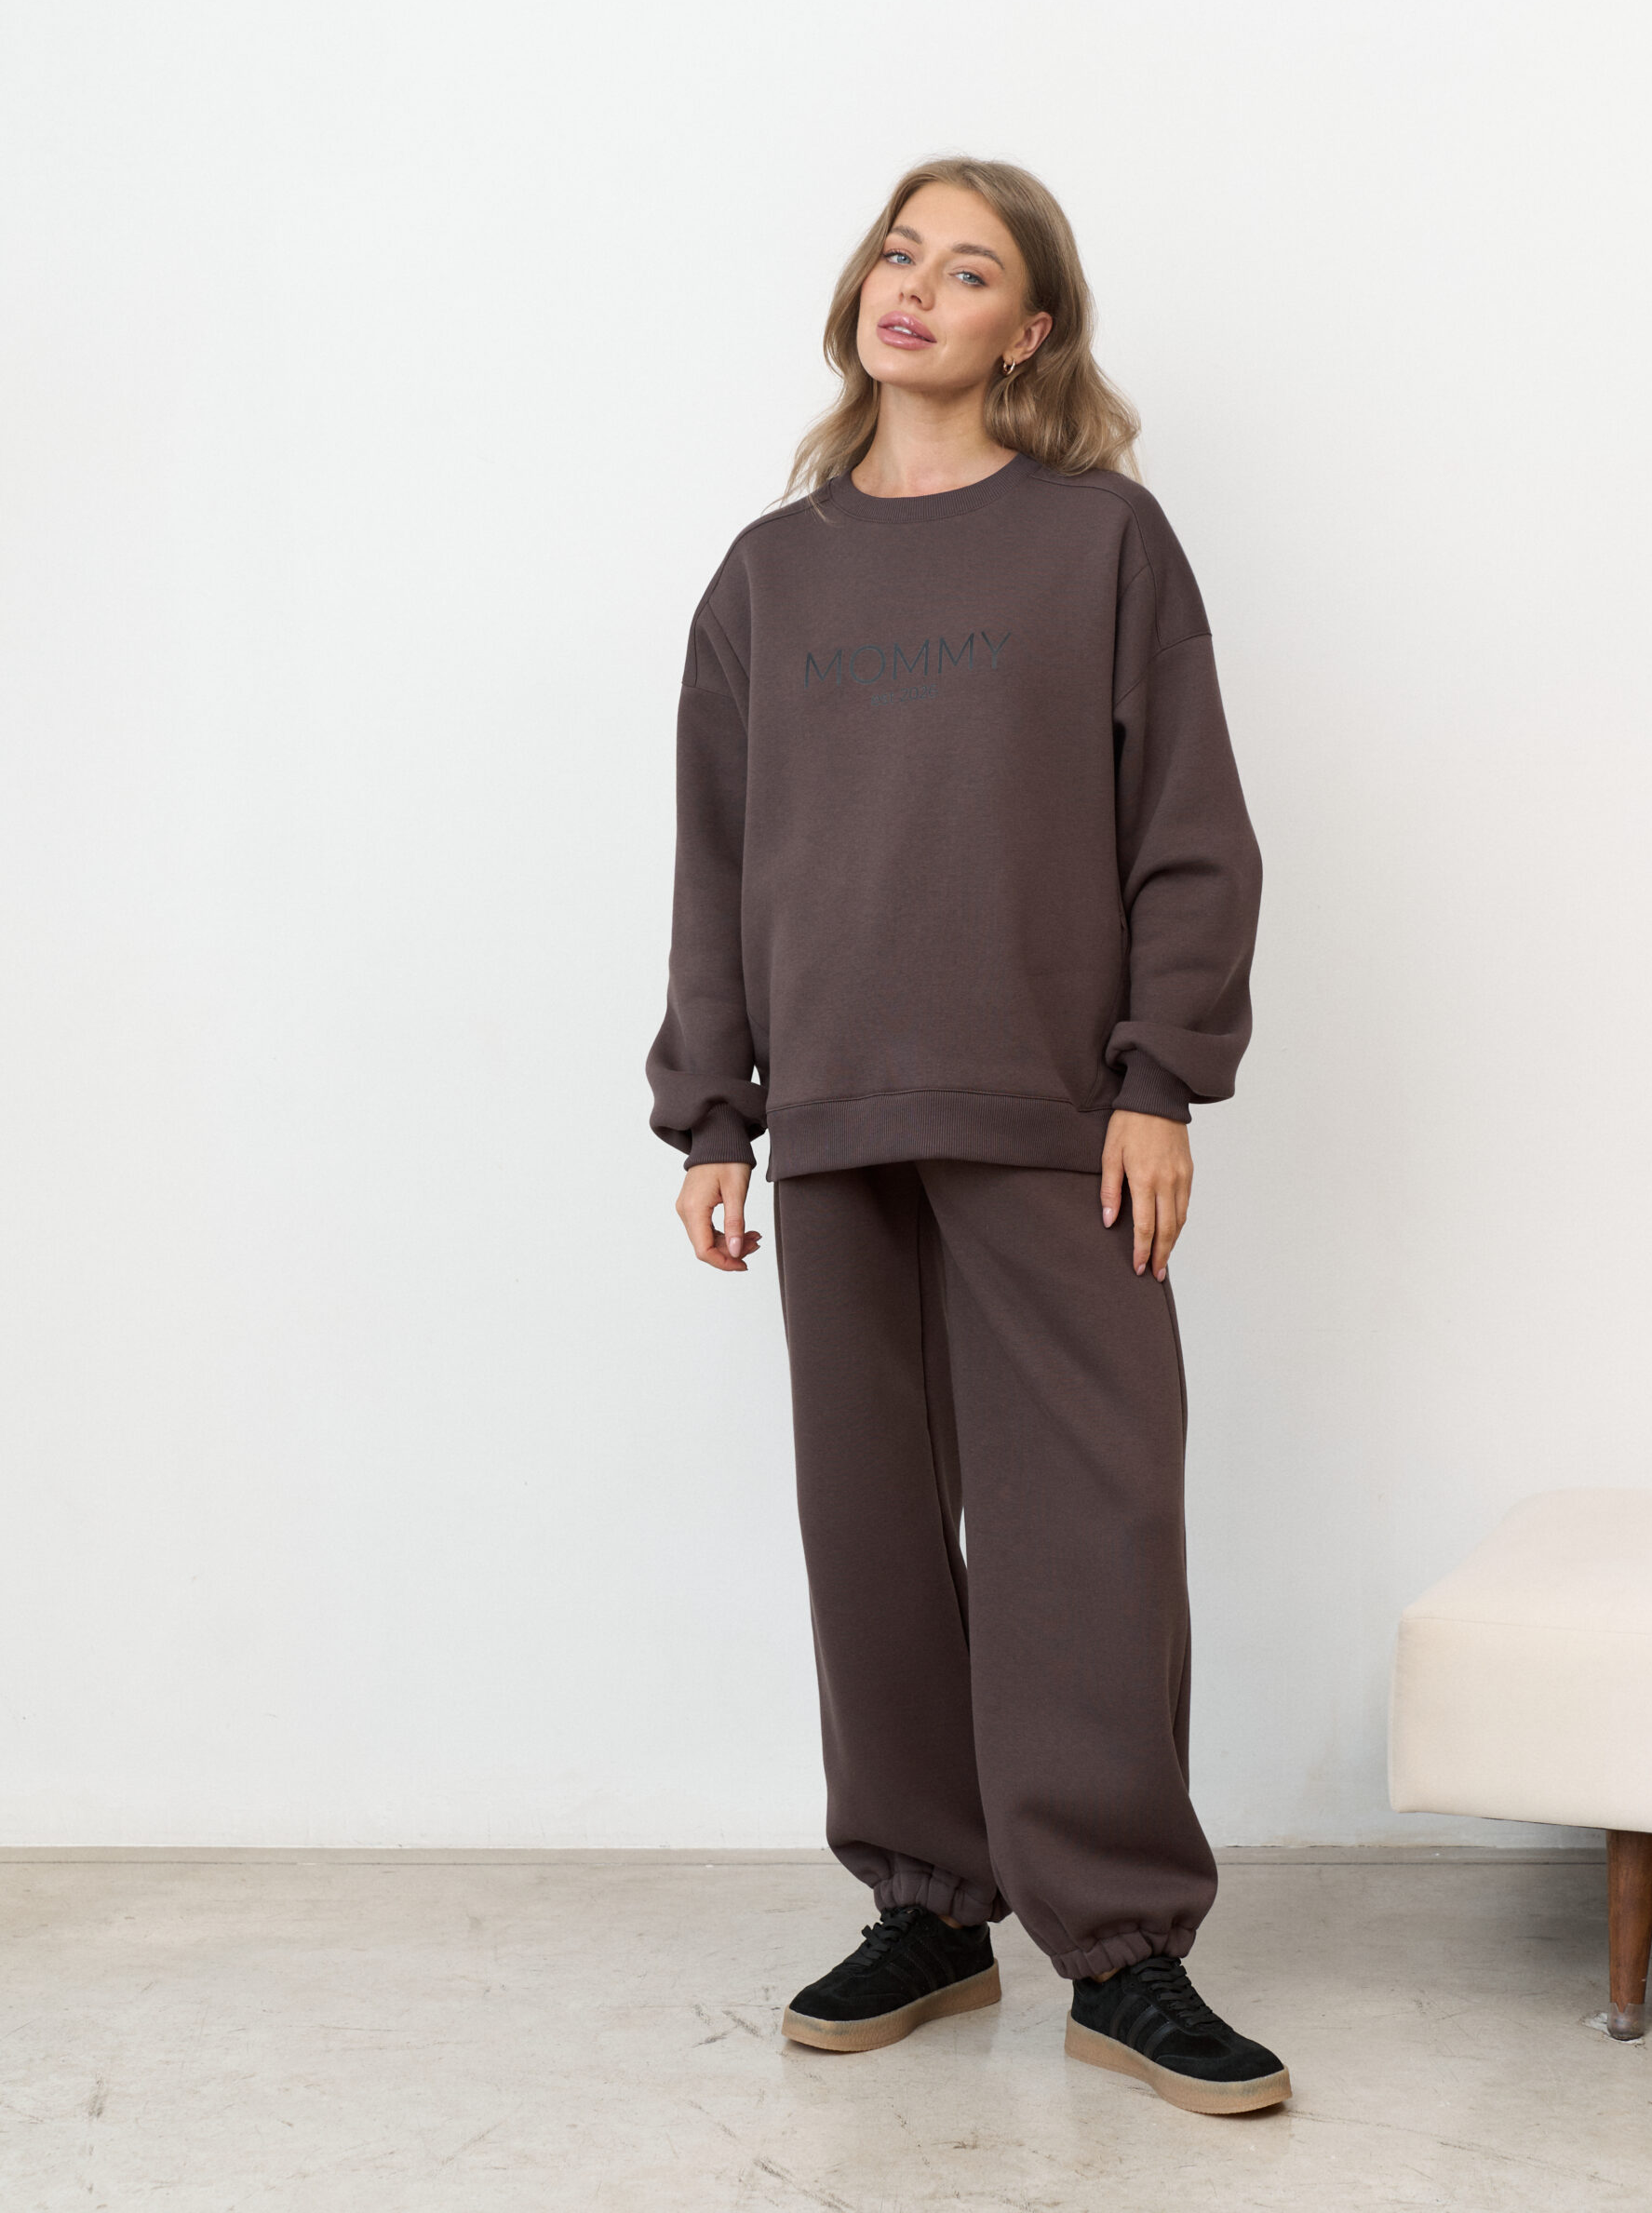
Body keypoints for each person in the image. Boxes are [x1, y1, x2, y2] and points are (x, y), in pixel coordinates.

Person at [646, 156, 1285, 2117]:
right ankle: (926, 1908)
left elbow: (1189, 828)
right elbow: (717, 861)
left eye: (971, 267)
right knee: (870, 1531)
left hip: (1053, 1112)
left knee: (1091, 1520)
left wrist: (1158, 1079)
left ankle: (1123, 1947)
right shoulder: (769, 576)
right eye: (897, 251)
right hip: (832, 1115)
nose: (913, 285)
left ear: (1033, 329)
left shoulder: (1102, 543)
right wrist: (712, 1109)